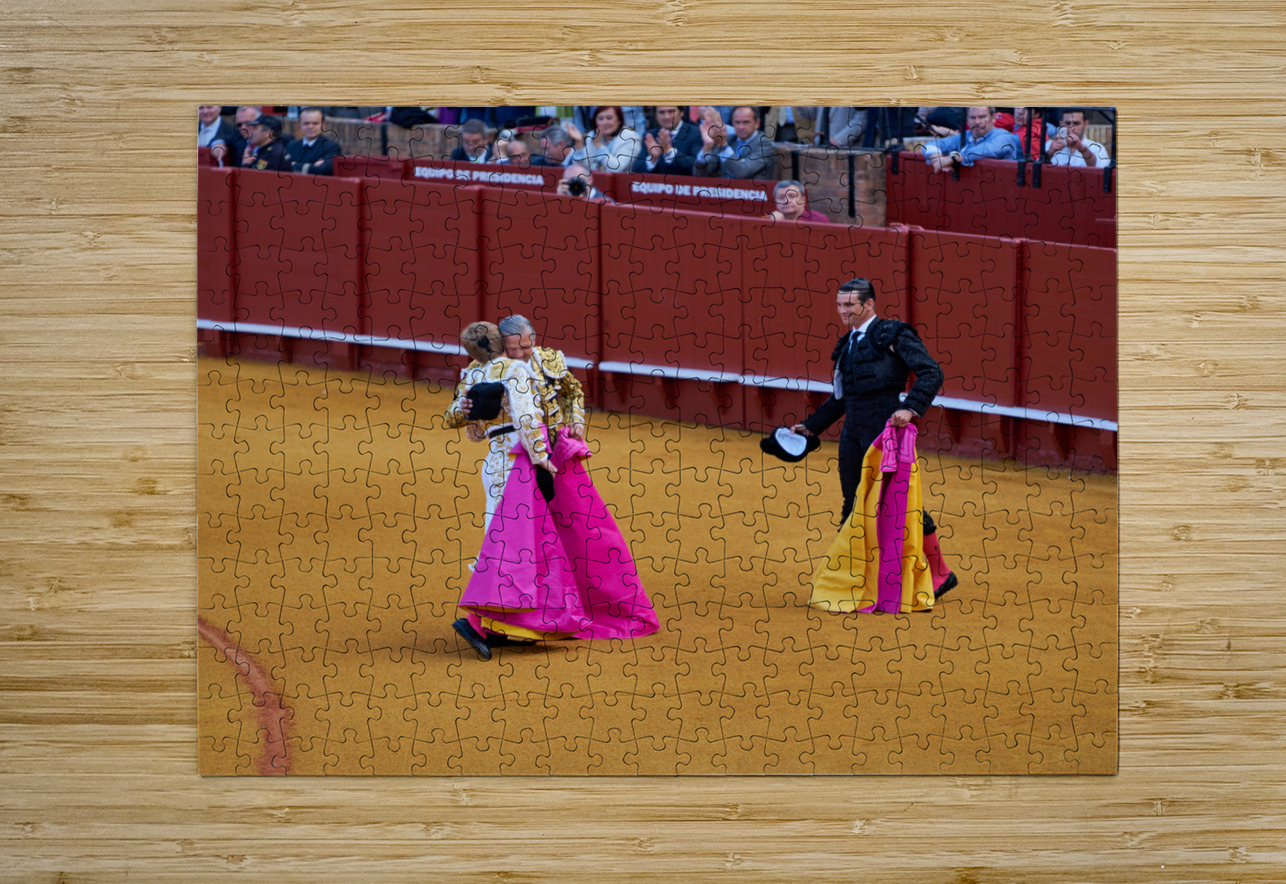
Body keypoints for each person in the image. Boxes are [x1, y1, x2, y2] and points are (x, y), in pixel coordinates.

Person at [790, 278, 956, 600]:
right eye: (839, 305)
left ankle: (940, 573)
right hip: (852, 432)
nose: (843, 311)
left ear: (869, 305)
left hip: (885, 431)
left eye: (849, 305)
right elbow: (840, 399)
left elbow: (931, 372)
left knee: (899, 504)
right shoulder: (846, 345)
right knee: (853, 502)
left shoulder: (893, 334)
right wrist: (810, 428)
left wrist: (910, 408)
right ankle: (856, 580)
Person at [498, 314, 660, 642]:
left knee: (584, 528)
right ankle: (521, 614)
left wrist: (576, 421)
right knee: (522, 535)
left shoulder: (549, 359)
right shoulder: (494, 369)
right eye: (513, 348)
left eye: (525, 346)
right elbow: (464, 416)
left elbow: (573, 391)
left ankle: (580, 606)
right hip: (516, 459)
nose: (521, 354)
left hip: (558, 455)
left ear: (533, 339)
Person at [443, 321, 570, 659]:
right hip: (517, 461)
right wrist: (542, 457)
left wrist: (465, 413)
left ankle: (505, 623)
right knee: (506, 544)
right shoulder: (515, 369)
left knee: (506, 539)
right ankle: (477, 622)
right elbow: (527, 419)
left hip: (494, 461)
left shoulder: (473, 373)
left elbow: (455, 418)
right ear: (500, 342)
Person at [921, 106, 1021, 173]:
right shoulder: (966, 136)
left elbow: (986, 150)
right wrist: (937, 159)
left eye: (982, 117)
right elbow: (929, 145)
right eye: (973, 118)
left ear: (993, 118)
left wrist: (954, 158)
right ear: (967, 120)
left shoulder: (1004, 137)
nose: (977, 122)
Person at [692, 106, 777, 180]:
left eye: (746, 122)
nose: (741, 127)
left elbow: (742, 172)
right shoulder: (729, 139)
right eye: (737, 122)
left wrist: (724, 145)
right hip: (724, 192)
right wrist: (707, 147)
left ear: (757, 123)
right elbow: (699, 174)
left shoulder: (764, 144)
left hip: (752, 192)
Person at [566, 105, 642, 173]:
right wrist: (578, 143)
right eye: (600, 118)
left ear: (619, 120)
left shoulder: (630, 137)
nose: (604, 122)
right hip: (594, 181)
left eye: (609, 118)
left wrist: (599, 147)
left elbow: (616, 169)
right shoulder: (592, 135)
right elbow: (581, 168)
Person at [631, 105, 702, 175]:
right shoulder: (650, 135)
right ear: (656, 116)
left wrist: (669, 151)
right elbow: (636, 171)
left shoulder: (696, 133)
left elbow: (698, 166)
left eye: (671, 111)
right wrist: (653, 159)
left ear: (681, 113)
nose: (666, 116)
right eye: (661, 112)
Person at [1045, 108, 1111, 167]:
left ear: (1085, 124)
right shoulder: (1050, 145)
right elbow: (1039, 171)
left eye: (1076, 123)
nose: (1072, 128)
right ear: (1061, 124)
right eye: (1068, 123)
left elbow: (1101, 173)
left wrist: (1083, 150)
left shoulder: (1097, 149)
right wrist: (1049, 154)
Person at [290, 107, 342, 175]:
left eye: (315, 123)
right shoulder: (291, 146)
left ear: (323, 124)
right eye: (306, 123)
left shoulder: (332, 148)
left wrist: (294, 165)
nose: (310, 127)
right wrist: (312, 166)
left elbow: (321, 170)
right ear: (299, 124)